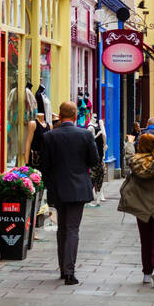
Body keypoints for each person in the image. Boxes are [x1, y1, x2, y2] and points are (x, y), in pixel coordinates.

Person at [39, 101, 99, 286]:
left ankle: (63, 268)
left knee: (62, 228)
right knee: (73, 229)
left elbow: (44, 165)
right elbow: (94, 160)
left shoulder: (50, 136)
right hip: (78, 188)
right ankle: (69, 272)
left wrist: (51, 182)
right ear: (75, 116)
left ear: (60, 114)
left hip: (57, 188)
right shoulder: (85, 135)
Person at [121, 133, 154, 286]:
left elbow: (129, 156)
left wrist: (130, 143)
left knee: (146, 240)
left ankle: (146, 273)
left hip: (142, 208)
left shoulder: (135, 163)